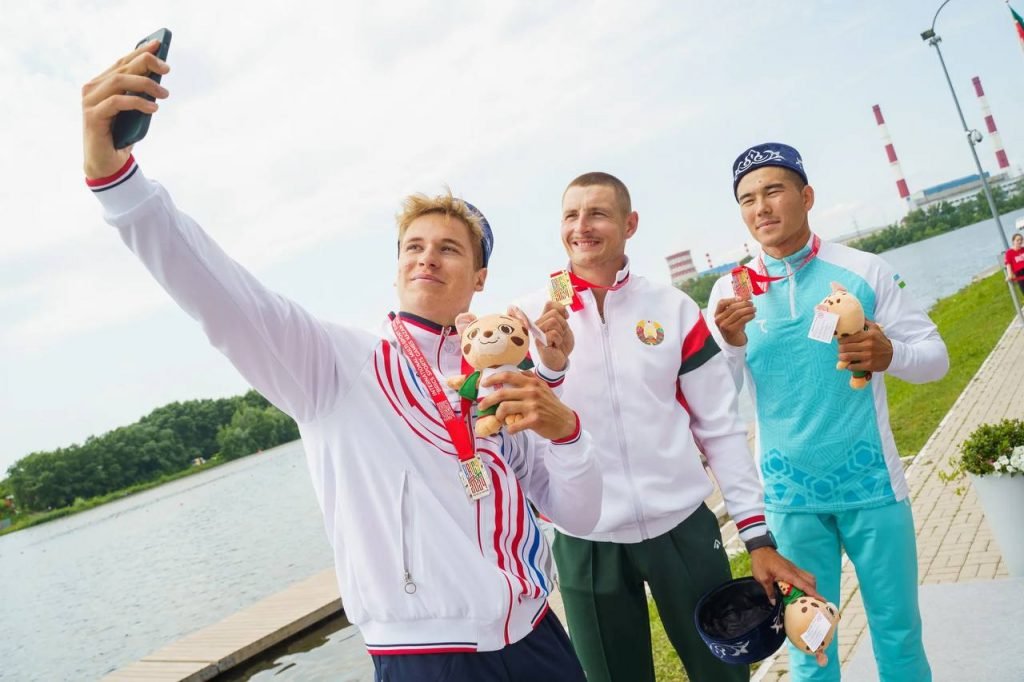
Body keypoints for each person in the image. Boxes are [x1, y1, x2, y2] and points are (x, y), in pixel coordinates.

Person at [81, 40, 604, 682]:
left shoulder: (502, 384)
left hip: (538, 636)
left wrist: (567, 432)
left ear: (479, 279)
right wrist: (121, 188)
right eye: (413, 246)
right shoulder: (335, 365)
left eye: (449, 248)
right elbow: (223, 294)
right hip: (427, 657)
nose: (427, 257)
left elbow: (579, 514)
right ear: (397, 269)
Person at [517, 172, 818, 682]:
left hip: (682, 526)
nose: (581, 226)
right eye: (571, 215)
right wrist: (549, 369)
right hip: (586, 537)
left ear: (630, 224)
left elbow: (719, 428)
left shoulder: (673, 309)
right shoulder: (530, 318)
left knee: (723, 676)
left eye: (597, 214)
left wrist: (757, 536)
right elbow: (523, 435)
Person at [708, 143, 949, 682]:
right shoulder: (730, 290)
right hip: (789, 500)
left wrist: (890, 355)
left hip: (873, 489)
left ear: (807, 196)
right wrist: (730, 343)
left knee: (899, 634)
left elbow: (935, 359)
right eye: (747, 199)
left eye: (774, 191)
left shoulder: (863, 269)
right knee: (810, 647)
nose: (761, 208)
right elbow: (717, 402)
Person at [1004, 232, 1024, 297]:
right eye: (1017, 240)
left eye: (1021, 239)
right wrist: (1009, 275)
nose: (1020, 241)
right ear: (1013, 241)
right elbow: (1008, 264)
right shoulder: (1009, 252)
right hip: (1021, 276)